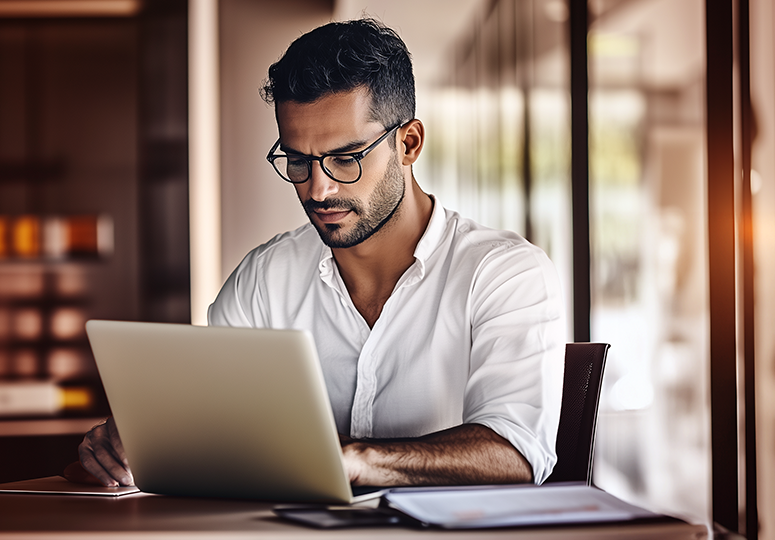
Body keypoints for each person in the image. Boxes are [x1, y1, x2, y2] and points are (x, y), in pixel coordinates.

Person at [77, 18, 565, 489]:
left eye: (345, 158)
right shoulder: (266, 278)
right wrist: (140, 441)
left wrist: (355, 458)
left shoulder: (502, 273)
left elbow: (516, 450)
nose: (319, 189)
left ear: (409, 143)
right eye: (298, 160)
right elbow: (212, 422)